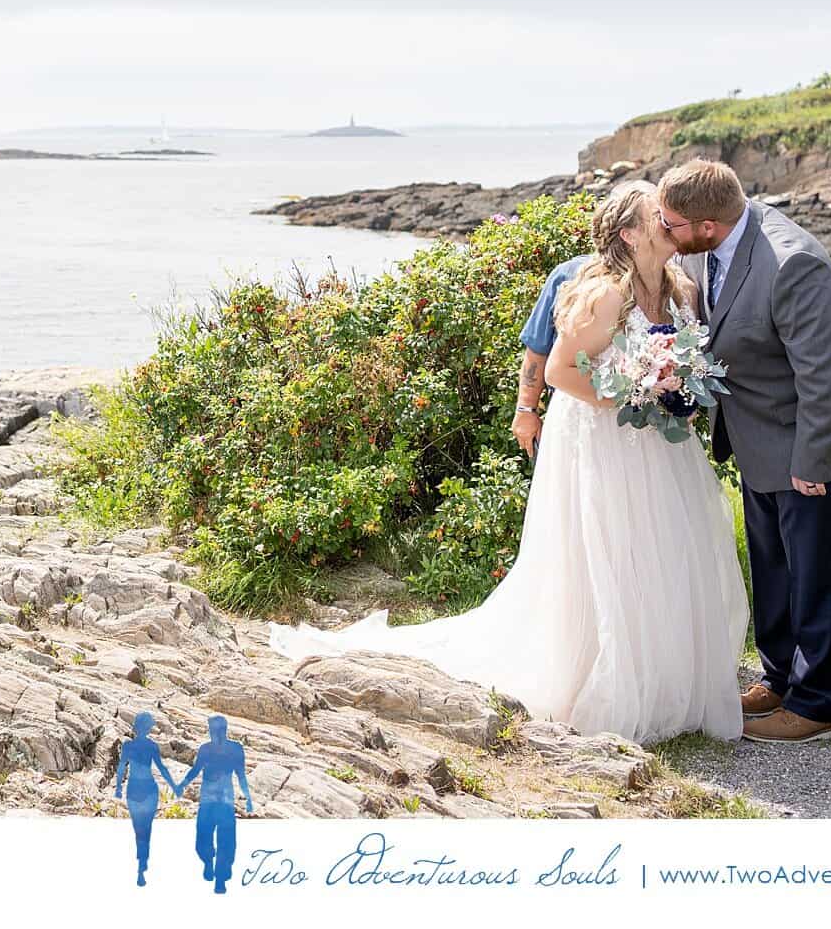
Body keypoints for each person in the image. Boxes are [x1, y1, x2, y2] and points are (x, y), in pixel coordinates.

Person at [270, 181, 748, 745]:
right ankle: (605, 674)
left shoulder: (682, 290)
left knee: (668, 545)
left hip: (662, 445)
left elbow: (687, 356)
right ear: (629, 233)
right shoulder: (602, 294)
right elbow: (559, 373)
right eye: (658, 218)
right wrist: (636, 394)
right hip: (603, 438)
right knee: (607, 549)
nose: (671, 223)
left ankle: (670, 678)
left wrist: (680, 390)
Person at [657, 159, 831, 744]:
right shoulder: (704, 246)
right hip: (760, 433)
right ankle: (780, 676)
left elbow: (826, 377)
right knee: (773, 562)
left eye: (670, 224)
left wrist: (812, 463)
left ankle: (817, 705)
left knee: (818, 569)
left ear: (707, 225)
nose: (665, 232)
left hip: (817, 434)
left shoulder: (793, 264)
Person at [511, 251, 595, 459]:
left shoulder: (657, 278)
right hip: (570, 416)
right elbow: (538, 348)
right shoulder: (568, 274)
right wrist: (525, 410)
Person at [174, 715, 253, 895]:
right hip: (208, 801)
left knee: (226, 842)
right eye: (211, 730)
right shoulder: (205, 749)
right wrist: (182, 784)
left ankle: (220, 878)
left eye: (215, 730)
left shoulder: (235, 749)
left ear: (224, 730)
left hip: (224, 802)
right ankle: (209, 862)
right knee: (202, 841)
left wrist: (248, 798)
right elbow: (195, 770)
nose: (213, 733)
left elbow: (241, 775)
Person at [114, 711, 181, 886]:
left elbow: (122, 768)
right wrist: (174, 786)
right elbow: (162, 768)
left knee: (139, 828)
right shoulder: (151, 746)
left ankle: (141, 862)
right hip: (148, 788)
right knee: (146, 828)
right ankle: (142, 862)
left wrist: (118, 787)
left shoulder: (129, 746)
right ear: (147, 727)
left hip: (135, 788)